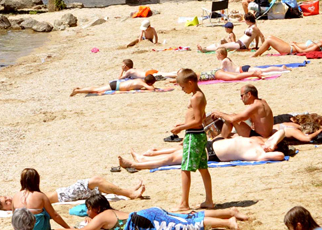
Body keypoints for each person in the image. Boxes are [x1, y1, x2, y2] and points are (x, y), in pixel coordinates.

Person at [118, 128, 289, 170]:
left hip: (212, 154)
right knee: (176, 153)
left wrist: (273, 148)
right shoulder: (260, 142)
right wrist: (273, 142)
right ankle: (143, 158)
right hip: (211, 145)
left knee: (170, 160)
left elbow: (281, 155)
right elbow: (282, 131)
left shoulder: (260, 154)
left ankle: (135, 165)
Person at [211, 85, 322, 143]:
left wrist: (220, 114)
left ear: (249, 94)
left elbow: (235, 119)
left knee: (230, 120)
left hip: (259, 136)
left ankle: (219, 140)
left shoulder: (255, 106)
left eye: (242, 96)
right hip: (264, 133)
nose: (241, 99)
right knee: (232, 119)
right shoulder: (262, 102)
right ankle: (221, 137)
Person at [171, 68, 213, 211]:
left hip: (194, 134)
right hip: (198, 134)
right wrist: (183, 125)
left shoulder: (196, 97)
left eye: (183, 86)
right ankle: (209, 200)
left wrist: (181, 128)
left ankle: (184, 203)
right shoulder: (200, 94)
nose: (182, 90)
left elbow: (198, 121)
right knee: (202, 168)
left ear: (190, 82)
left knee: (185, 169)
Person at [0, 175, 145, 212]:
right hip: (65, 195)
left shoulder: (19, 199)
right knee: (96, 181)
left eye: (6, 197)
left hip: (64, 193)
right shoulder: (21, 207)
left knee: (98, 185)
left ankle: (128, 191)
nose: (9, 199)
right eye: (6, 202)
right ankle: (130, 193)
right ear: (6, 209)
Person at [0, 168, 70, 229]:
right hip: (38, 227)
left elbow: (14, 218)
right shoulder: (41, 196)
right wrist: (68, 228)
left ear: (22, 181)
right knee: (45, 211)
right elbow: (55, 215)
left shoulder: (16, 196)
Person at [198, 47, 289, 82]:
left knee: (263, 70)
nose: (216, 56)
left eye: (217, 55)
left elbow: (220, 70)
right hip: (243, 68)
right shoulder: (227, 59)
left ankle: (281, 68)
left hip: (242, 70)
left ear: (221, 55)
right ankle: (280, 68)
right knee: (262, 70)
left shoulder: (224, 61)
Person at [129, 207, 246, 229]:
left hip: (143, 220)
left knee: (189, 224)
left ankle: (229, 223)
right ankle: (230, 212)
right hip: (145, 215)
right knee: (190, 217)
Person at [198, 16, 263, 52]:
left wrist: (263, 47)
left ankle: (204, 50)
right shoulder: (251, 27)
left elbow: (261, 36)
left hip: (242, 45)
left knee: (222, 47)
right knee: (219, 45)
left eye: (245, 20)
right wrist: (256, 46)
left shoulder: (255, 28)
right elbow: (256, 37)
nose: (244, 21)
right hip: (239, 43)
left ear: (249, 20)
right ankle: (205, 48)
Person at [70, 74, 167, 96]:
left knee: (97, 88)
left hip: (117, 84)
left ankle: (80, 89)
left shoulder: (140, 80)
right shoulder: (142, 82)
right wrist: (153, 86)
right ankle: (78, 91)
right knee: (97, 90)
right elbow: (150, 89)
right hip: (115, 86)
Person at [252, 35, 322, 57]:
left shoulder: (316, 47)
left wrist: (294, 45)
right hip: (291, 46)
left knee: (269, 40)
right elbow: (304, 45)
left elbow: (302, 51)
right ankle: (258, 53)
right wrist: (296, 43)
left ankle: (255, 55)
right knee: (270, 37)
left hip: (290, 49)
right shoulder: (316, 44)